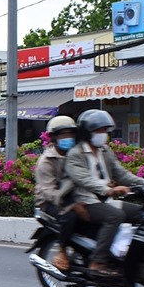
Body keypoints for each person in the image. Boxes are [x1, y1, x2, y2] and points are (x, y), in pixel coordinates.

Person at [65, 109, 144, 277]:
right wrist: (109, 190)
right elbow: (86, 180)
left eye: (105, 130)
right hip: (87, 201)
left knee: (143, 214)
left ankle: (126, 254)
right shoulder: (75, 155)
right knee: (115, 216)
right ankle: (98, 261)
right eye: (99, 130)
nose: (103, 134)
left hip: (106, 200)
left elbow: (122, 174)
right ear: (87, 132)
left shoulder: (105, 151)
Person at [33, 116, 86, 271]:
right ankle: (62, 250)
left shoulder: (76, 155)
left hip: (75, 197)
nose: (67, 138)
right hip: (50, 202)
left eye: (70, 134)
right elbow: (48, 191)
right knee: (70, 216)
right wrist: (71, 205)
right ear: (54, 138)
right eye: (62, 135)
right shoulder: (46, 161)